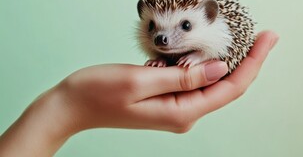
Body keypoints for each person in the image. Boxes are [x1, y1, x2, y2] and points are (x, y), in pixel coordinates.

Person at [0, 31, 278, 157]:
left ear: (210, 17)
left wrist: (67, 105)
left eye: (185, 27)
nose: (163, 39)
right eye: (154, 28)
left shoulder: (217, 40)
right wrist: (70, 105)